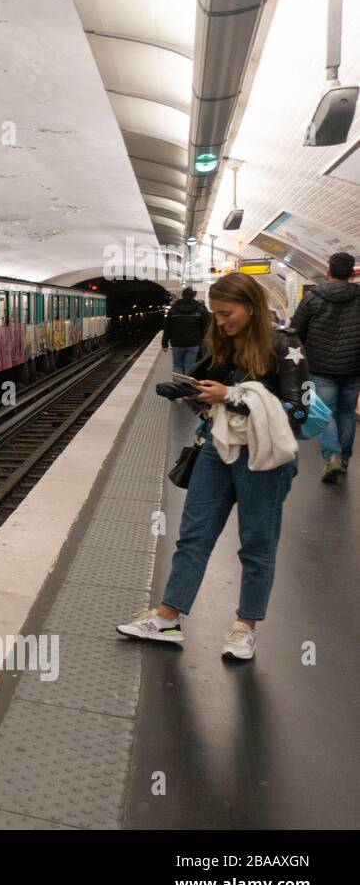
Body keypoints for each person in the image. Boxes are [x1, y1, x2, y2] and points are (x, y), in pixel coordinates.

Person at [118, 273, 310, 661]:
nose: (221, 322)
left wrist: (231, 397)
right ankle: (168, 616)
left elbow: (297, 411)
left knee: (257, 544)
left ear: (251, 307)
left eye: (227, 313)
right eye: (217, 315)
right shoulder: (223, 344)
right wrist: (187, 391)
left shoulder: (284, 345)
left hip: (263, 458)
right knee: (194, 534)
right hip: (217, 450)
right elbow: (207, 385)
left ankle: (244, 627)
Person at [290, 251, 360, 482]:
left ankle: (332, 455)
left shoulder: (313, 297)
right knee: (347, 412)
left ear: (328, 272)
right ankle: (345, 457)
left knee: (324, 411)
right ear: (352, 273)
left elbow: (295, 330)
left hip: (320, 366)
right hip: (353, 365)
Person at [161, 286, 209, 375]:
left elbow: (167, 327)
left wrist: (164, 344)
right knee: (190, 366)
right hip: (193, 343)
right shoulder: (199, 309)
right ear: (194, 296)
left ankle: (176, 387)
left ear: (182, 296)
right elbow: (207, 326)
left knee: (177, 365)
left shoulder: (173, 309)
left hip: (177, 343)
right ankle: (186, 387)